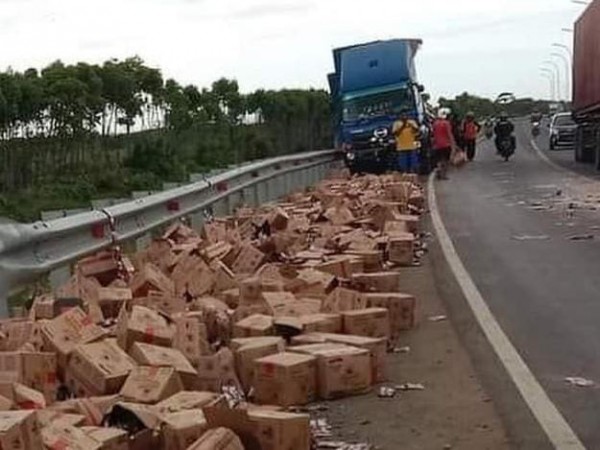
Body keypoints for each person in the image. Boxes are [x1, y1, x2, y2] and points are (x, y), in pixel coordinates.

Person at [432, 109, 456, 180]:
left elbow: (433, 134)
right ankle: (443, 175)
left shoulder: (435, 123)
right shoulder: (446, 123)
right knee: (445, 160)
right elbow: (449, 134)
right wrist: (453, 143)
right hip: (446, 144)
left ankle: (439, 172)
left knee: (439, 160)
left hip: (437, 145)